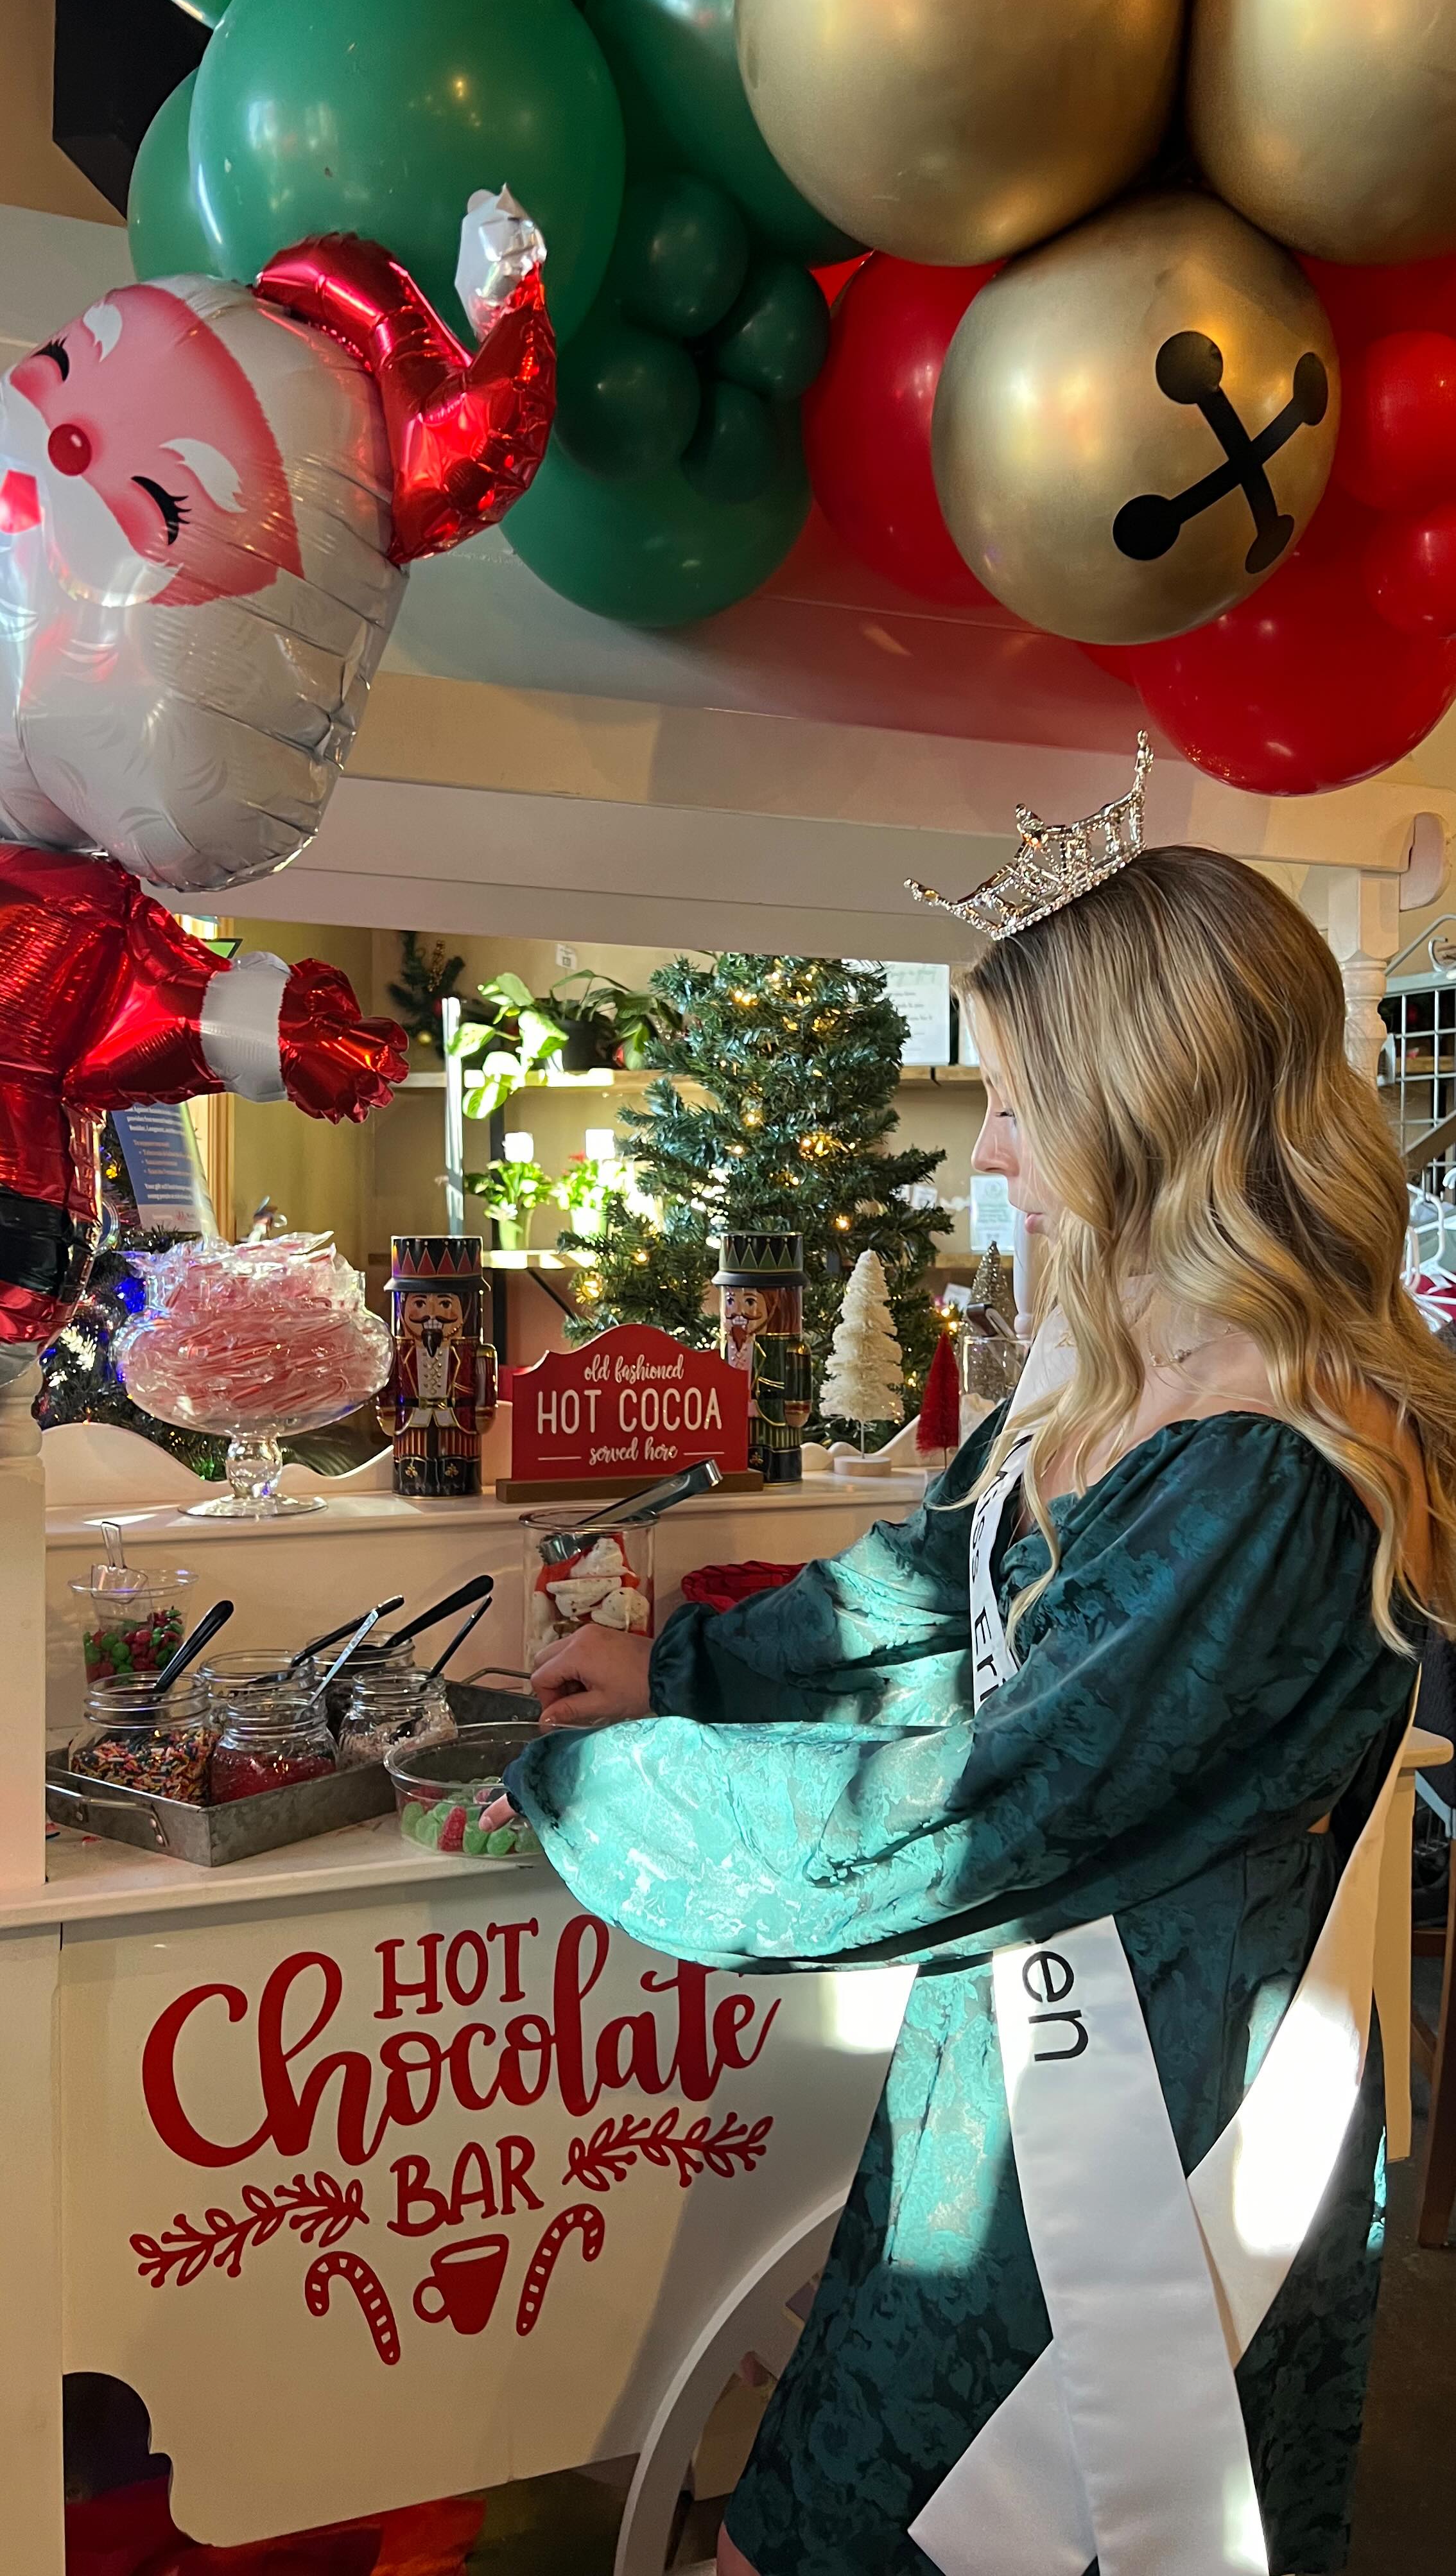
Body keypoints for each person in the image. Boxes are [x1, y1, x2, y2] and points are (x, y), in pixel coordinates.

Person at [496, 752, 1456, 2576]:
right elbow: (931, 1582)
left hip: (1153, 2120)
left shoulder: (1271, 1462)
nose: (994, 1151)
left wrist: (613, 1795)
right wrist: (681, 1671)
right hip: (1015, 2067)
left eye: (1016, 1101)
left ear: (1138, 1105)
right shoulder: (1106, 1382)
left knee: (1017, 2519)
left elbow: (993, 1806)